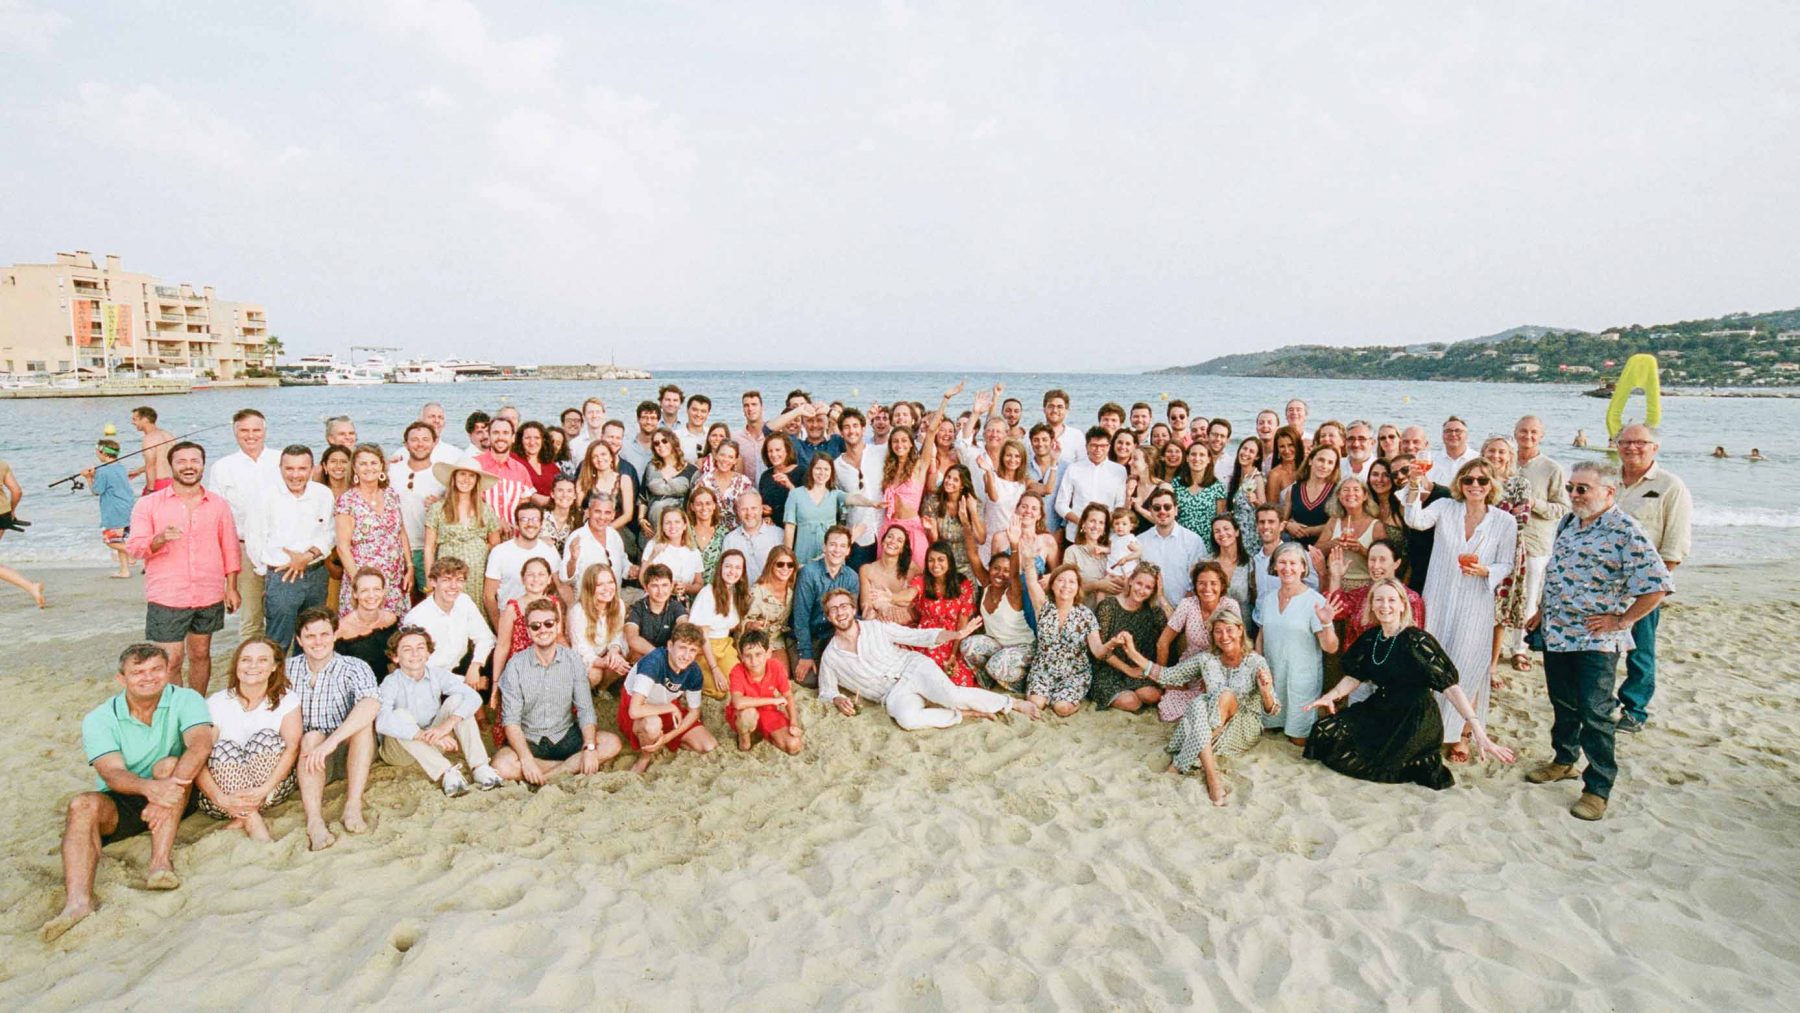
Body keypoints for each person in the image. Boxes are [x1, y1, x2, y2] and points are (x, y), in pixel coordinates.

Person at [1528, 460, 1673, 820]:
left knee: (1595, 712)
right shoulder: (1568, 522)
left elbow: (1658, 585)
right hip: (1557, 632)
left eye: (1583, 489)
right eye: (1571, 488)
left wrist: (1622, 620)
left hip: (1596, 639)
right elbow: (1556, 571)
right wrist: (1542, 610)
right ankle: (1564, 760)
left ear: (1609, 492)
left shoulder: (1625, 531)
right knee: (1563, 703)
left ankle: (1597, 788)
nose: (1574, 494)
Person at [41, 644, 215, 941]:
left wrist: (165, 794)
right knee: (81, 805)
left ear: (168, 671)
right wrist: (151, 790)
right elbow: (111, 773)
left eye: (156, 669)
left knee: (168, 765)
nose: (149, 677)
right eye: (138, 672)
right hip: (128, 794)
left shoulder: (187, 699)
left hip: (179, 790)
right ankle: (78, 903)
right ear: (121, 679)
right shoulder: (99, 718)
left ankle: (160, 863)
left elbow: (200, 745)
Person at [1303, 579, 1516, 789]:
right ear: (1372, 605)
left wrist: (1476, 728)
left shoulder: (1416, 640)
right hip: (1381, 707)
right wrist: (1331, 696)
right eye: (1379, 600)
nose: (1385, 606)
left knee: (1387, 762)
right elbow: (1353, 677)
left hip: (1415, 717)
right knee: (1324, 731)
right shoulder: (1371, 638)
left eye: (1391, 600)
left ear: (1403, 605)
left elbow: (1450, 688)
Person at [1403, 458, 1517, 762]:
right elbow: (1415, 520)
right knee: (1433, 661)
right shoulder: (1445, 507)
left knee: (1468, 664)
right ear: (1459, 483)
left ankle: (1463, 733)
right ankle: (1430, 728)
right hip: (1439, 596)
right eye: (1468, 480)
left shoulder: (1504, 521)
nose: (1475, 485)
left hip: (1476, 598)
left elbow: (1507, 563)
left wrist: (1486, 571)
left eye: (1482, 480)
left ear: (1492, 484)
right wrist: (1414, 485)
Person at [1120, 609, 1275, 804]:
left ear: (1240, 630)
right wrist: (1133, 654)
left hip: (1242, 724)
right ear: (1213, 635)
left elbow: (1272, 709)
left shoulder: (1256, 662)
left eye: (1229, 630)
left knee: (1222, 695)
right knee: (1198, 704)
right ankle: (1213, 778)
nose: (1224, 636)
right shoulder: (1206, 659)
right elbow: (1168, 676)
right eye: (1218, 631)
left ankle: (1180, 763)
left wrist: (1266, 692)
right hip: (1210, 721)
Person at [819, 588, 1032, 729]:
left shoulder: (876, 627)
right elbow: (826, 691)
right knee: (907, 720)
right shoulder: (831, 657)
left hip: (913, 668)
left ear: (853, 609)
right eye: (833, 609)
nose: (840, 612)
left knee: (953, 695)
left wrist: (956, 635)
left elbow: (917, 636)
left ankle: (1010, 703)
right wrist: (836, 699)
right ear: (828, 617)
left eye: (844, 606)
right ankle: (962, 714)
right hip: (892, 694)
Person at [127, 441, 241, 692]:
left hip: (209, 592)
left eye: (194, 461)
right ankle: (176, 706)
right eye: (181, 461)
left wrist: (232, 587)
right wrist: (159, 539)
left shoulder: (219, 504)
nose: (189, 466)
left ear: (202, 465)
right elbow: (134, 547)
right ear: (171, 466)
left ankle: (196, 704)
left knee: (201, 654)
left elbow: (230, 548)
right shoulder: (148, 504)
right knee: (172, 660)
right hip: (167, 595)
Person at [492, 599, 623, 783]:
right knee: (501, 765)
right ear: (528, 631)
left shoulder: (573, 660)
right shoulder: (515, 665)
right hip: (530, 739)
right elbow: (511, 721)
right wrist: (526, 758)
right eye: (535, 626)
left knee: (612, 743)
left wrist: (589, 747)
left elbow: (585, 709)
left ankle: (548, 775)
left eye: (548, 623)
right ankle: (569, 767)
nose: (542, 630)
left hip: (566, 735)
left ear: (556, 626)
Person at [1613, 423, 1691, 732]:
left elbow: (1675, 544)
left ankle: (1634, 710)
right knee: (1599, 646)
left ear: (1654, 447)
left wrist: (1653, 587)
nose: (1632, 447)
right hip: (1601, 582)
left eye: (1640, 442)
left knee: (1640, 649)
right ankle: (1602, 703)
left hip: (1642, 584)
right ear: (1616, 445)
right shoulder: (1607, 480)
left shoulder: (1670, 486)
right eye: (1625, 442)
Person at [287, 608, 378, 851]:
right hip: (310, 760)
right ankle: (314, 821)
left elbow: (371, 703)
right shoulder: (287, 670)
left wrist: (332, 741)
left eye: (324, 634)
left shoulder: (353, 666)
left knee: (362, 726)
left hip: (348, 752)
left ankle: (353, 805)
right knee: (311, 737)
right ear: (299, 640)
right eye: (310, 636)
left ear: (335, 635)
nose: (318, 642)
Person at [376, 625, 502, 796]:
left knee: (457, 700)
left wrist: (446, 727)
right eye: (407, 649)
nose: (415, 653)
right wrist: (422, 735)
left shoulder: (437, 674)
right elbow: (382, 722)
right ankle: (446, 773)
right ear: (395, 657)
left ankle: (480, 767)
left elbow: (473, 697)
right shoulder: (390, 683)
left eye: (420, 647)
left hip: (434, 740)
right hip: (400, 752)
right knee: (399, 715)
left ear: (428, 653)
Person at [197, 637, 300, 841]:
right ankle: (252, 818)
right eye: (246, 660)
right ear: (236, 664)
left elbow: (292, 749)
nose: (253, 666)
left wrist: (263, 790)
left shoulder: (287, 699)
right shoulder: (217, 702)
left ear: (274, 666)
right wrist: (220, 798)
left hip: (270, 791)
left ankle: (244, 817)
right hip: (223, 799)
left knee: (266, 738)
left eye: (262, 660)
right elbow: (198, 757)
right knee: (222, 748)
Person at [243, 444, 335, 649]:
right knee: (278, 641)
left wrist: (307, 556)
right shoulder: (264, 497)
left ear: (312, 469)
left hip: (316, 574)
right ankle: (276, 672)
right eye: (289, 468)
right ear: (280, 469)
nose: (295, 475)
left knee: (312, 639)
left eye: (302, 468)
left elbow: (330, 533)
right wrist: (270, 573)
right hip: (282, 576)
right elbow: (254, 539)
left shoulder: (323, 494)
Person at [1255, 543, 1339, 745]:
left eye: (1293, 563)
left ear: (1303, 567)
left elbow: (1331, 648)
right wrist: (1259, 666)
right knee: (1269, 729)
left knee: (1298, 740)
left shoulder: (1314, 601)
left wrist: (1327, 623)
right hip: (1273, 678)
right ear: (1274, 566)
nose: (1287, 568)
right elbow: (1261, 636)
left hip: (1301, 680)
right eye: (1282, 562)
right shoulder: (1268, 599)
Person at [207, 408, 279, 639]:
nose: (251, 435)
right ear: (235, 432)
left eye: (256, 430)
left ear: (265, 431)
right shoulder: (222, 468)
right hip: (244, 549)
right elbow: (217, 518)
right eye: (244, 430)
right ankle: (250, 660)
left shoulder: (281, 460)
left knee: (283, 614)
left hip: (280, 548)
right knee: (251, 616)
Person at [1020, 563, 1125, 716]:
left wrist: (1112, 643)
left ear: (1077, 587)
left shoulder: (1086, 615)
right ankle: (1049, 695)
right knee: (1035, 704)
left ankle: (1069, 701)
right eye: (1060, 580)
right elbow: (1031, 581)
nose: (1066, 586)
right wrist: (1028, 559)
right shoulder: (1043, 606)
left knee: (1061, 708)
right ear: (1052, 585)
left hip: (1074, 673)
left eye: (1071, 581)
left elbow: (1098, 651)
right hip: (1043, 669)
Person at [334, 443, 411, 617]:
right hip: (364, 578)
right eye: (363, 463)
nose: (369, 468)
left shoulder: (391, 494)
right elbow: (343, 547)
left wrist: (410, 566)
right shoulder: (347, 501)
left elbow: (401, 532)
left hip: (394, 577)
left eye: (373, 463)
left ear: (382, 465)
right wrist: (359, 582)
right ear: (355, 468)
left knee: (393, 626)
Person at [402, 558, 496, 690]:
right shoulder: (417, 618)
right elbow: (419, 669)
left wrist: (476, 665)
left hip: (458, 666)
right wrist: (464, 682)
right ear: (433, 582)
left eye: (459, 580)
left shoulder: (464, 601)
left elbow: (486, 638)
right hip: (428, 681)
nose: (453, 586)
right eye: (446, 580)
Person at [425, 452, 503, 605]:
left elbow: (495, 543)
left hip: (477, 573)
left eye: (471, 476)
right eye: (462, 474)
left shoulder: (485, 509)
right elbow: (429, 548)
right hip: (447, 572)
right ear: (454, 477)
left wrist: (475, 549)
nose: (466, 479)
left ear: (477, 481)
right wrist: (429, 584)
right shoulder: (438, 508)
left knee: (474, 608)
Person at [1089, 563, 1168, 712]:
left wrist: (1161, 596)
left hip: (1138, 668)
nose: (1142, 590)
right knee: (1131, 702)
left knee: (1152, 696)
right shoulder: (1108, 606)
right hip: (1109, 668)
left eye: (1148, 587)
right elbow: (1102, 651)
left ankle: (1135, 692)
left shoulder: (1154, 612)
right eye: (1139, 583)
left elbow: (1174, 627)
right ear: (1131, 581)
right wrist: (1128, 670)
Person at [790, 526, 860, 685]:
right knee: (810, 681)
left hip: (832, 636)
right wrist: (806, 655)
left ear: (848, 550)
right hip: (808, 634)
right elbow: (801, 617)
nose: (837, 550)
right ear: (824, 547)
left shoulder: (852, 577)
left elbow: (851, 616)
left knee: (844, 677)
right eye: (833, 544)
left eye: (842, 546)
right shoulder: (809, 573)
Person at [959, 550, 1035, 690]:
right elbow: (973, 556)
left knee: (996, 665)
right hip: (998, 645)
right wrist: (968, 534)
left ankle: (1022, 683)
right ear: (989, 569)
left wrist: (1014, 546)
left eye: (1006, 570)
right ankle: (988, 683)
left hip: (1023, 647)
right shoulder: (987, 586)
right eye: (996, 568)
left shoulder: (1014, 593)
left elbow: (1014, 574)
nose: (1000, 573)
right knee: (967, 646)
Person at [492, 556, 567, 694]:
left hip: (548, 662)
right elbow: (502, 646)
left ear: (549, 579)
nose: (536, 579)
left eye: (541, 574)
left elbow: (559, 636)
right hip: (521, 668)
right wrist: (496, 682)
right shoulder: (512, 608)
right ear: (523, 579)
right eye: (530, 575)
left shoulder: (554, 603)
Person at [390, 421, 448, 595]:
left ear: (434, 442)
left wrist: (441, 502)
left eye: (425, 439)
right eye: (414, 440)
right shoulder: (392, 470)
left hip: (429, 549)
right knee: (397, 598)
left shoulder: (442, 475)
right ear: (406, 444)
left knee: (429, 596)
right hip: (396, 548)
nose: (420, 444)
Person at [727, 629, 804, 754]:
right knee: (748, 713)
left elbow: (788, 695)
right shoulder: (737, 671)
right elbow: (738, 703)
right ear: (741, 656)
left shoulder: (775, 666)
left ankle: (764, 735)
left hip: (768, 712)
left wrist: (793, 723)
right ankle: (744, 740)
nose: (754, 661)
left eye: (758, 654)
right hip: (743, 715)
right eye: (748, 655)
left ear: (768, 653)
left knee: (793, 745)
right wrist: (773, 701)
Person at [690, 549, 750, 699]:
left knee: (737, 683)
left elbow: (732, 626)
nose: (732, 571)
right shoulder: (708, 593)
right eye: (728, 566)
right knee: (719, 690)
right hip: (703, 648)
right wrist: (715, 668)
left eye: (738, 568)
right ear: (720, 568)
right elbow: (702, 635)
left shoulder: (737, 593)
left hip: (724, 646)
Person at [484, 502, 560, 620]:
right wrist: (500, 626)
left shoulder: (549, 550)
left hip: (541, 621)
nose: (530, 524)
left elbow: (560, 587)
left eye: (535, 519)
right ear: (517, 524)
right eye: (524, 519)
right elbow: (488, 596)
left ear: (541, 524)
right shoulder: (500, 552)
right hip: (510, 619)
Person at [1136, 487, 1206, 614]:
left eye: (1167, 507)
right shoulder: (1140, 541)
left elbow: (1199, 579)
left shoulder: (1193, 541)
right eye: (1157, 508)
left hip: (1185, 611)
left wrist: (1180, 614)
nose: (1162, 511)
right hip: (1147, 612)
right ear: (1151, 511)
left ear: (1176, 510)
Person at [1053, 427, 1129, 541]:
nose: (1098, 450)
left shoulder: (1119, 470)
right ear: (1086, 446)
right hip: (1076, 534)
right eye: (1094, 445)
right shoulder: (1073, 468)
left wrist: (1102, 524)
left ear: (1109, 447)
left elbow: (1120, 504)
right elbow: (1060, 504)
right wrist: (1082, 523)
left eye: (1103, 446)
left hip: (1107, 535)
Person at [568, 561, 631, 690]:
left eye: (610, 582)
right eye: (600, 585)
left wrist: (613, 652)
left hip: (604, 652)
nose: (607, 588)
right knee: (595, 674)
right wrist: (603, 663)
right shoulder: (578, 611)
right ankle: (583, 692)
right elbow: (581, 650)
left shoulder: (619, 605)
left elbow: (617, 636)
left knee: (619, 662)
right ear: (590, 588)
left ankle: (601, 690)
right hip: (584, 658)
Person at [1319, 476, 1386, 590]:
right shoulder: (1334, 521)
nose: (1351, 493)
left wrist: (1360, 549)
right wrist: (1333, 544)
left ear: (1365, 496)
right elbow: (1316, 551)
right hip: (1335, 582)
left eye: (1356, 489)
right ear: (1339, 496)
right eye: (1345, 490)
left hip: (1365, 585)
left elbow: (1384, 559)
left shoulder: (1376, 525)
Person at [335, 567, 401, 679]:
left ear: (383, 591)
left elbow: (394, 662)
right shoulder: (341, 630)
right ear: (355, 594)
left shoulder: (390, 619)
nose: (371, 595)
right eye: (364, 590)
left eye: (377, 589)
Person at [560, 494, 631, 590]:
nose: (602, 517)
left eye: (607, 513)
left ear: (613, 515)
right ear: (588, 512)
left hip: (614, 596)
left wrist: (630, 569)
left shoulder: (614, 535)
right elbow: (565, 578)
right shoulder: (577, 538)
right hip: (587, 598)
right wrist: (573, 560)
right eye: (597, 511)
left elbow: (622, 560)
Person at [745, 544, 798, 671]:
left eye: (790, 565)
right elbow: (742, 621)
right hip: (755, 640)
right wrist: (751, 625)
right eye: (780, 564)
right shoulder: (757, 591)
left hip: (777, 639)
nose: (785, 568)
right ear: (771, 565)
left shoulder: (792, 589)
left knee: (781, 674)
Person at [89, 439, 137, 579]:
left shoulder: (103, 471)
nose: (96, 453)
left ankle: (132, 553)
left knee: (110, 541)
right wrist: (95, 475)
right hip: (127, 507)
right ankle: (124, 571)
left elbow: (96, 491)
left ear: (103, 453)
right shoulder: (120, 467)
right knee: (120, 540)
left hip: (114, 511)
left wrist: (89, 478)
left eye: (97, 451)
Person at [625, 563, 689, 660]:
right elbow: (632, 638)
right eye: (655, 586)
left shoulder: (676, 606)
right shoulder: (637, 608)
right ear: (646, 588)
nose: (660, 591)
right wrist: (660, 656)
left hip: (670, 658)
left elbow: (684, 627)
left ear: (671, 586)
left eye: (664, 585)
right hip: (644, 659)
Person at [641, 503, 705, 599]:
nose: (672, 526)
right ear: (662, 526)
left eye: (677, 522)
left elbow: (699, 584)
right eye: (668, 523)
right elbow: (642, 579)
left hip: (682, 601)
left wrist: (686, 587)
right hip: (656, 600)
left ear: (684, 525)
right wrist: (653, 555)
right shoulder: (654, 545)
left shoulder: (693, 552)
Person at [1281, 444, 1340, 548]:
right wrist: (1288, 525)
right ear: (1310, 461)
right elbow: (1282, 520)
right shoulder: (1293, 489)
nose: (1324, 466)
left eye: (1330, 462)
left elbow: (1336, 526)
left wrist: (1307, 531)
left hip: (1322, 549)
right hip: (1293, 547)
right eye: (1321, 460)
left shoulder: (1337, 492)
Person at [1172, 441, 1228, 551]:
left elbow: (1220, 520)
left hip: (1207, 544)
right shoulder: (1176, 484)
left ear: (1208, 459)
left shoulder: (1218, 487)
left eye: (1202, 455)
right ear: (1187, 458)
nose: (1197, 458)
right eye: (1193, 454)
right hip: (1181, 542)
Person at [858, 525, 919, 625]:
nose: (893, 541)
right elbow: (866, 604)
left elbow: (916, 601)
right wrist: (872, 614)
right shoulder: (866, 570)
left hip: (906, 624)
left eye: (899, 540)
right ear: (882, 541)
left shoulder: (912, 569)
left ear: (902, 549)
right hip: (878, 622)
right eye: (890, 537)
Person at [724, 489, 783, 583]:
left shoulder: (778, 535)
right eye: (744, 509)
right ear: (737, 512)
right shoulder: (730, 540)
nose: (749, 513)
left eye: (753, 508)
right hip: (741, 592)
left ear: (761, 509)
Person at [128, 405, 174, 493]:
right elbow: (161, 462)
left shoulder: (149, 438)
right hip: (172, 483)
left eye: (135, 419)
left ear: (145, 419)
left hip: (157, 484)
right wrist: (138, 471)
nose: (132, 422)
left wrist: (150, 490)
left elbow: (151, 466)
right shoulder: (168, 435)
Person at [1427, 416, 1479, 486]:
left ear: (1466, 435)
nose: (1453, 434)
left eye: (1458, 431)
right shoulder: (1430, 460)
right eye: (1448, 431)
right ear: (1442, 436)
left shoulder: (1478, 459)